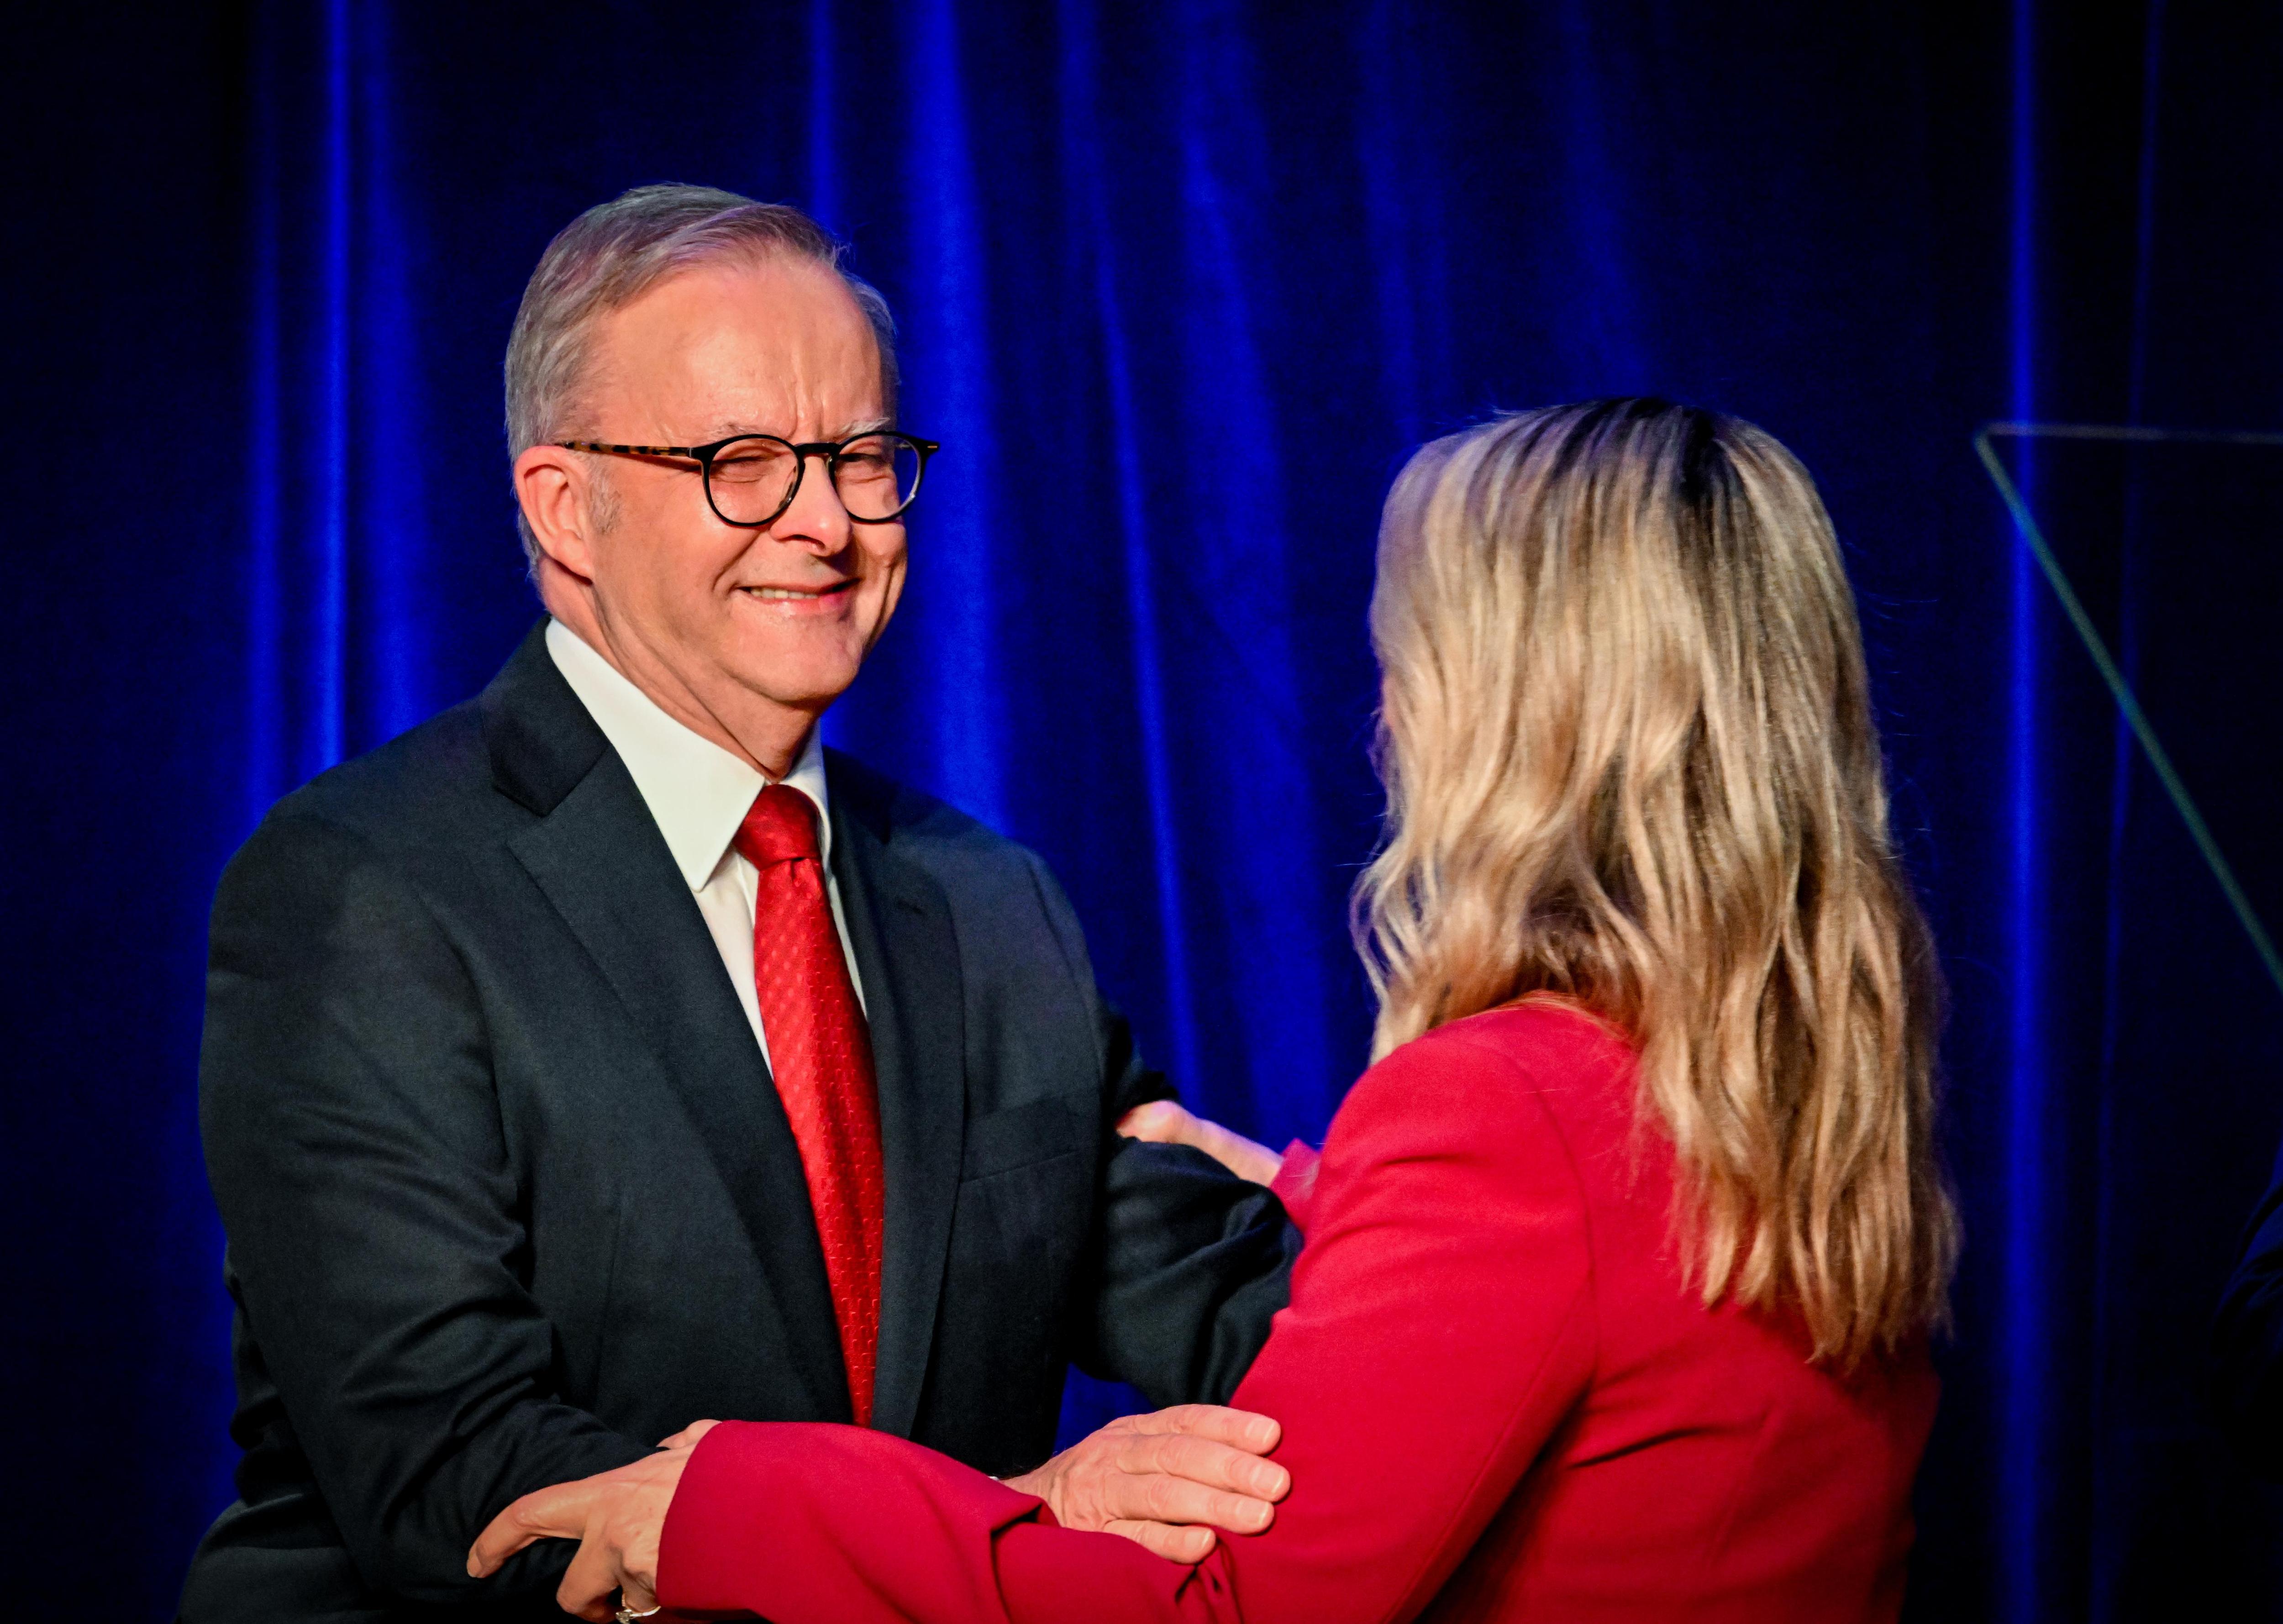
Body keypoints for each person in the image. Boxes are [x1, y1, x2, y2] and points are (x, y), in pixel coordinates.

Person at [473, 398, 1962, 1623]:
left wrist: (748, 1494)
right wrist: (1356, 1217)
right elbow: (1647, 1326)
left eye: (1414, 656)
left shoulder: (1502, 1110)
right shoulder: (1798, 1078)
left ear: (1529, 709)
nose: (1389, 712)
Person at [180, 185, 1303, 1624]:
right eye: (744, 463)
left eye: (862, 457)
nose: (826, 524)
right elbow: (466, 1489)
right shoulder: (360, 888)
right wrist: (1018, 1522)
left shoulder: (992, 903)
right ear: (565, 507)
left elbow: (1242, 1317)